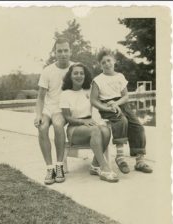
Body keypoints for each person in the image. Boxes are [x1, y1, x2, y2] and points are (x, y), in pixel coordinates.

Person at [90, 49, 152, 173]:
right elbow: (93, 100)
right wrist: (108, 107)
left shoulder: (120, 76)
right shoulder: (98, 80)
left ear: (114, 61)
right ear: (100, 65)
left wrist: (116, 103)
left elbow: (126, 96)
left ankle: (140, 161)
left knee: (138, 126)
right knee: (121, 120)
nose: (107, 64)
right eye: (103, 62)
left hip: (122, 104)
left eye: (109, 60)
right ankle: (120, 157)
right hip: (107, 106)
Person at [60, 63, 118, 183]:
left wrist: (112, 104)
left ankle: (94, 165)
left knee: (106, 130)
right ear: (70, 76)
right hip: (74, 129)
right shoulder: (65, 94)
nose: (79, 76)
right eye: (75, 73)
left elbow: (103, 101)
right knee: (96, 129)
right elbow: (67, 118)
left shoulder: (89, 91)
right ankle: (104, 167)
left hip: (89, 126)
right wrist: (83, 121)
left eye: (82, 73)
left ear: (85, 76)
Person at [34, 38, 73, 185]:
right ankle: (50, 168)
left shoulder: (75, 68)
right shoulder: (47, 71)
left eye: (65, 50)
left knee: (58, 125)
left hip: (63, 108)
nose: (63, 54)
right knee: (42, 127)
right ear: (55, 53)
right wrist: (38, 115)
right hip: (48, 108)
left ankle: (60, 166)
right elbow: (40, 98)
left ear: (70, 51)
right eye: (59, 51)